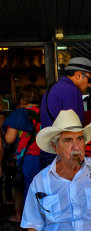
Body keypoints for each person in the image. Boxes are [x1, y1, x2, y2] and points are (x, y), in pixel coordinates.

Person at [40, 57, 91, 168]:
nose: (89, 84)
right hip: (64, 152)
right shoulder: (72, 91)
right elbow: (75, 130)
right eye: (89, 80)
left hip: (49, 151)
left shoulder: (52, 89)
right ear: (78, 75)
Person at [4, 85, 41, 221]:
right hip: (47, 154)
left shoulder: (19, 113)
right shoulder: (45, 112)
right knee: (45, 188)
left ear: (22, 99)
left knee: (30, 189)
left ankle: (32, 223)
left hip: (29, 157)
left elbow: (9, 138)